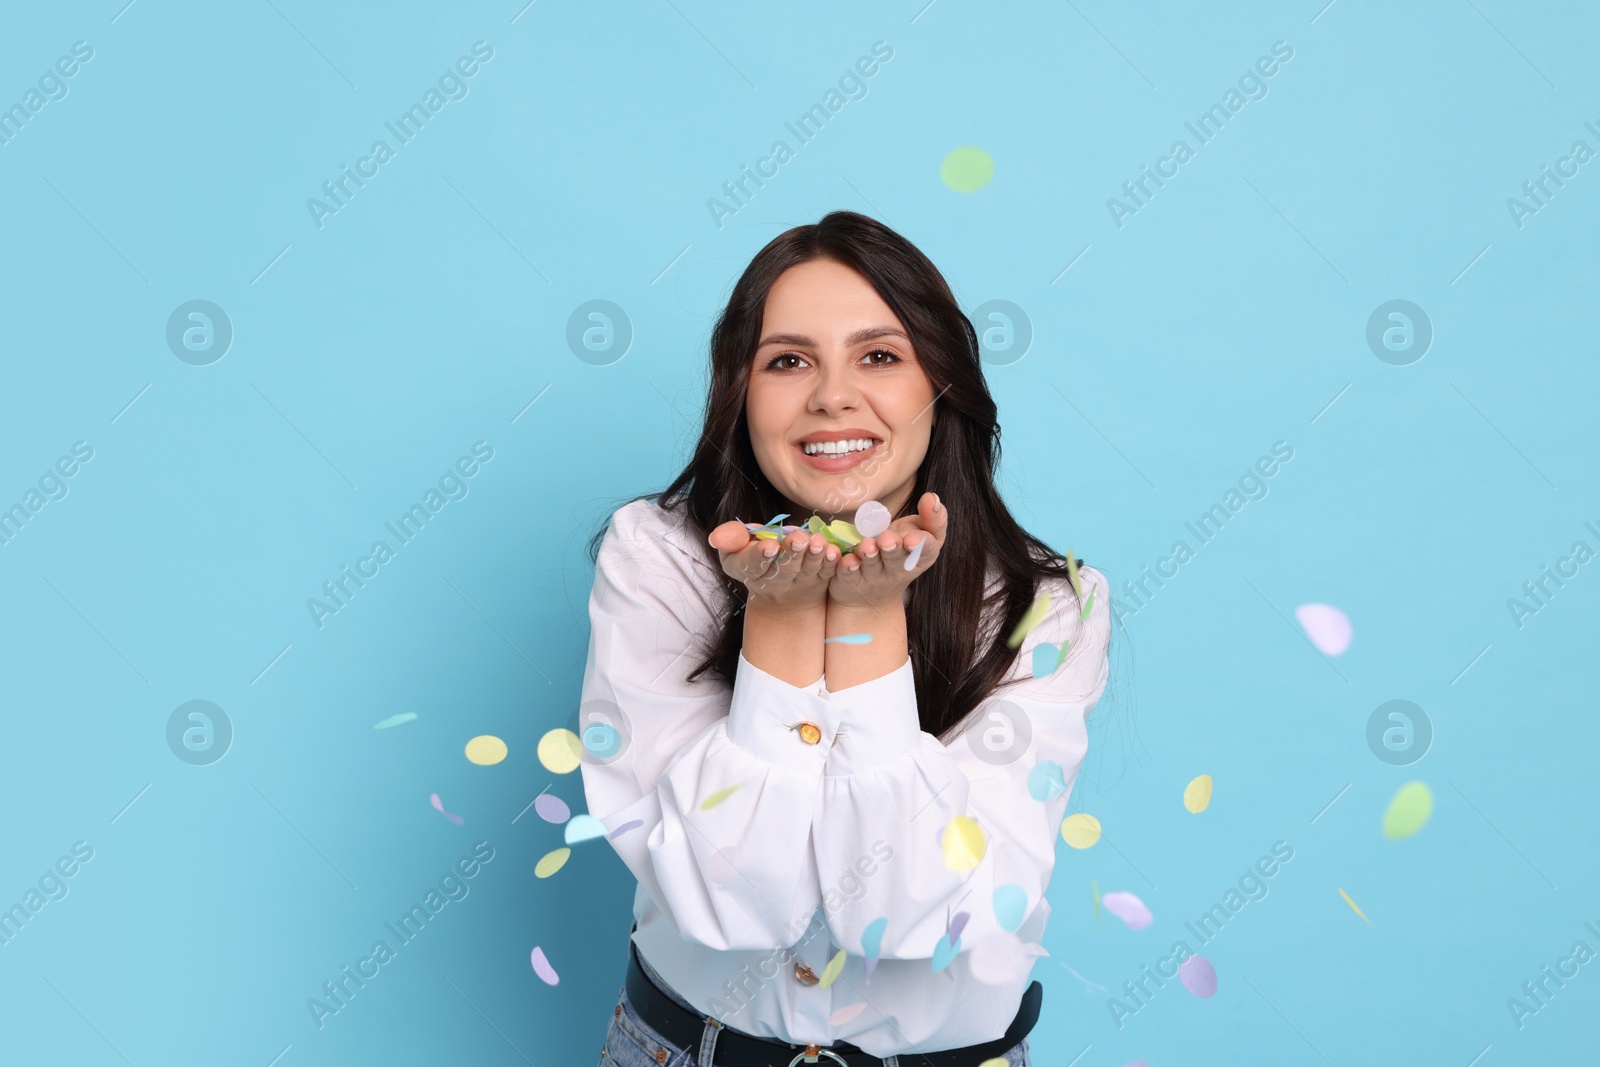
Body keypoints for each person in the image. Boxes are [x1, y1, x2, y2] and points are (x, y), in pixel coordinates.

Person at [579, 210, 1112, 1067]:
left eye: (879, 356)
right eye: (788, 360)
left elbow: (904, 918)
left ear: (940, 384)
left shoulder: (1045, 608)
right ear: (739, 391)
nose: (832, 395)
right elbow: (726, 902)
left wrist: (866, 624)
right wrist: (782, 622)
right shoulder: (657, 558)